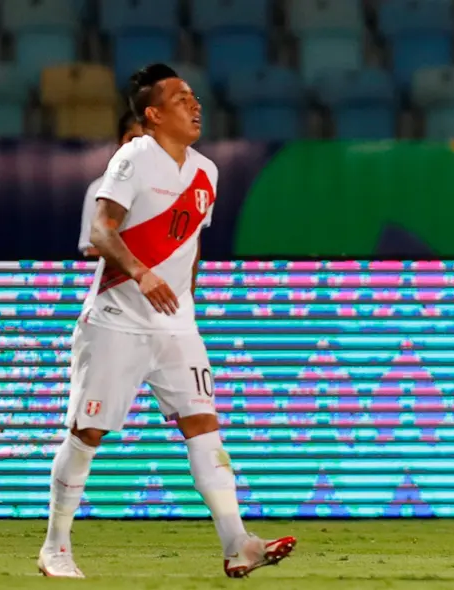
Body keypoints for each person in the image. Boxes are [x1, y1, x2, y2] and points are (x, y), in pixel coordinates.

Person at [37, 64, 296, 579]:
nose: (195, 105)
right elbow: (102, 230)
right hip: (116, 320)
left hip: (176, 325)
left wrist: (187, 299)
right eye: (181, 99)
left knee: (203, 425)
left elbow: (193, 244)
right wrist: (142, 273)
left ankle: (237, 542)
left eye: (195, 97)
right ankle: (55, 546)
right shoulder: (134, 157)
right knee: (88, 432)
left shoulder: (207, 172)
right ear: (153, 115)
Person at [77, 110, 144, 258]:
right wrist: (135, 266)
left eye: (146, 142)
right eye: (133, 139)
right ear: (119, 143)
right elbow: (92, 249)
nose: (138, 148)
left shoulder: (173, 188)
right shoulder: (98, 189)